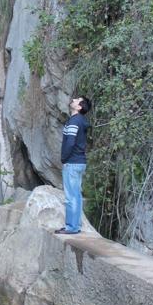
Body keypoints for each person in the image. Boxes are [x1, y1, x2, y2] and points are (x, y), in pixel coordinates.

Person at [55, 96, 91, 235]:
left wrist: (64, 158)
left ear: (79, 107)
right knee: (76, 195)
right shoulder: (80, 121)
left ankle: (71, 227)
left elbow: (70, 142)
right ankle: (74, 225)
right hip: (79, 162)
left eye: (76, 100)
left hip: (72, 163)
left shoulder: (75, 121)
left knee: (71, 196)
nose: (73, 99)